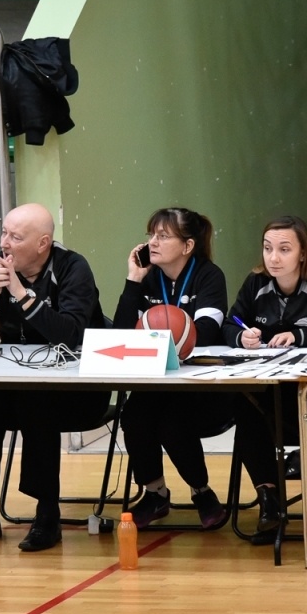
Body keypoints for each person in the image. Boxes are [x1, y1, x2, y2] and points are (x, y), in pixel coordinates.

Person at [0, 202, 109, 553]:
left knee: (38, 399)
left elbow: (69, 332)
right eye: (4, 232)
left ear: (43, 244)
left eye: (15, 237)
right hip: (20, 385)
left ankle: (47, 513)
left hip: (80, 391)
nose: (4, 243)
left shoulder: (73, 268)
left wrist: (22, 295)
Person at [221, 216, 307, 544]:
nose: (274, 257)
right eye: (268, 248)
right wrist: (241, 338)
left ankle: (273, 505)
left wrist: (300, 336)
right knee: (245, 408)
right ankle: (270, 501)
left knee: (253, 417)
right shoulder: (255, 284)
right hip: (265, 394)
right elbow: (229, 324)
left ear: (302, 253)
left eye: (284, 249)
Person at [114, 206, 231, 530]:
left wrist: (162, 334)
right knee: (134, 414)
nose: (152, 242)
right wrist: (133, 281)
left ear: (187, 245)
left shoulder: (209, 275)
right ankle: (155, 493)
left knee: (172, 419)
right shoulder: (147, 277)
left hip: (201, 385)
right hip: (156, 379)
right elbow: (123, 332)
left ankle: (202, 492)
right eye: (151, 234)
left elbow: (207, 331)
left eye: (163, 236)